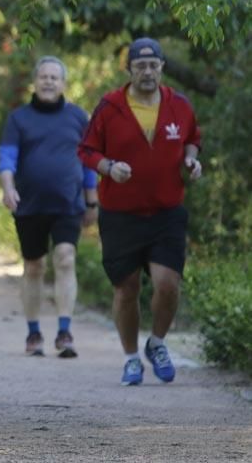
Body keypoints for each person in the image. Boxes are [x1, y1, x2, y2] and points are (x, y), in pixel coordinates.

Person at [79, 37, 202, 386]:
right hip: (121, 214)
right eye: (140, 66)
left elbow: (194, 137)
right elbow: (87, 150)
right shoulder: (110, 107)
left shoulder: (179, 105)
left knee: (168, 283)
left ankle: (157, 343)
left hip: (166, 212)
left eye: (153, 65)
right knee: (126, 288)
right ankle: (131, 358)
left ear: (162, 67)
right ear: (130, 69)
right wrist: (108, 167)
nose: (147, 72)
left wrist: (192, 160)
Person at [0, 56, 98, 358]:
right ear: (35, 81)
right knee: (34, 266)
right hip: (29, 204)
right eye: (44, 76)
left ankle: (65, 332)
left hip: (69, 203)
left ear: (64, 83)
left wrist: (92, 201)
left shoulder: (79, 117)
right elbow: (6, 159)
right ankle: (33, 333)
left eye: (55, 77)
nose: (49, 81)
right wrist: (8, 188)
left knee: (65, 258)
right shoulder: (19, 119)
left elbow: (89, 163)